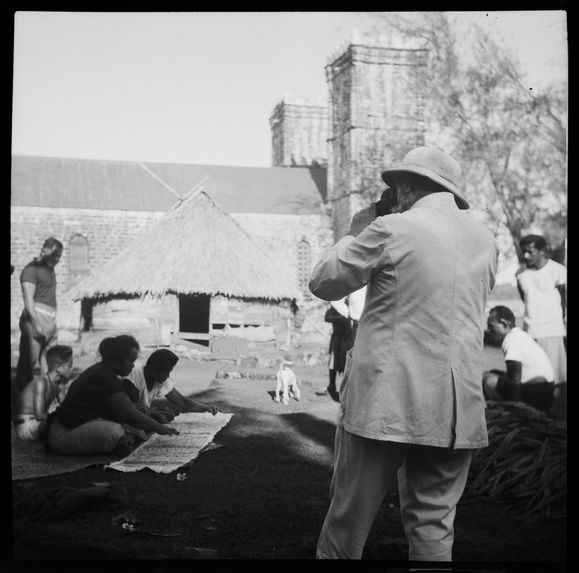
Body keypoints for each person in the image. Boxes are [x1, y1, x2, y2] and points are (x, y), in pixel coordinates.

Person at [309, 146, 498, 562]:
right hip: (455, 408)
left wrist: (357, 231)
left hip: (386, 402)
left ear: (406, 185)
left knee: (347, 524)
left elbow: (323, 282)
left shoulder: (393, 228)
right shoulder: (487, 240)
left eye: (395, 188)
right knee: (434, 526)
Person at [46, 335, 178, 456]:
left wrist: (152, 415)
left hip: (75, 427)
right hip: (63, 434)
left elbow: (126, 409)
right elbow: (128, 414)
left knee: (137, 421)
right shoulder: (104, 377)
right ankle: (122, 442)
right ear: (115, 360)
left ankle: (126, 440)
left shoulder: (105, 373)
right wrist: (159, 427)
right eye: (130, 360)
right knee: (114, 432)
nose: (132, 365)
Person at [483, 305, 555, 413]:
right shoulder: (519, 334)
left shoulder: (511, 340)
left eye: (491, 326)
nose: (488, 330)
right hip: (545, 391)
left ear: (504, 323)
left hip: (538, 392)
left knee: (488, 380)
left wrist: (515, 407)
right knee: (493, 373)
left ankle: (508, 409)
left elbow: (514, 379)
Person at [516, 234, 566, 384]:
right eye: (523, 251)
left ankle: (558, 408)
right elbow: (525, 299)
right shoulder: (520, 274)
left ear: (542, 251)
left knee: (557, 378)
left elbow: (565, 300)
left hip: (553, 332)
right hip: (530, 332)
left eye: (530, 251)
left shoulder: (558, 270)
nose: (526, 255)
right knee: (533, 376)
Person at [15, 238, 63, 391]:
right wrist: (35, 324)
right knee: (29, 362)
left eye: (59, 256)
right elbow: (28, 300)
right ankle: (21, 400)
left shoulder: (49, 270)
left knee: (52, 362)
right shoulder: (31, 269)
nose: (57, 259)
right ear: (44, 250)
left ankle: (48, 398)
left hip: (51, 320)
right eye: (54, 255)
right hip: (36, 317)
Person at [120, 349, 219, 422]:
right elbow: (132, 409)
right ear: (154, 368)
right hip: (123, 419)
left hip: (139, 416)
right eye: (167, 372)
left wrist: (205, 407)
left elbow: (182, 401)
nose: (168, 375)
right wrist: (155, 412)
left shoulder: (160, 379)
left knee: (167, 414)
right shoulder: (134, 376)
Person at [14, 345, 74, 441]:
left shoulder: (59, 386)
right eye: (70, 365)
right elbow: (39, 415)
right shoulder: (41, 383)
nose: (72, 369)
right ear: (58, 367)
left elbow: (66, 408)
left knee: (69, 422)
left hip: (39, 422)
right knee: (56, 425)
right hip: (26, 425)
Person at [318, 301, 353, 402]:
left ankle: (346, 389)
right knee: (332, 363)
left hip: (346, 339)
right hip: (336, 338)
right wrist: (340, 316)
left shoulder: (347, 308)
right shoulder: (333, 310)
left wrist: (343, 316)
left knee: (344, 363)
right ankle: (331, 386)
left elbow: (347, 320)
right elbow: (327, 317)